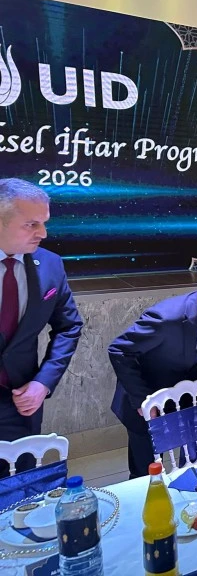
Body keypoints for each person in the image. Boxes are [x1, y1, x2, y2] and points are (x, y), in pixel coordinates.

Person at [108, 261, 197, 478]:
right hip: (145, 389)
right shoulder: (167, 319)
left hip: (186, 383)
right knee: (146, 467)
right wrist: (142, 399)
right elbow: (119, 350)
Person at [0, 179, 82, 477]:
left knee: (18, 485)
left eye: (44, 223)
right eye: (31, 224)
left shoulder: (50, 265)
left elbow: (69, 326)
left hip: (20, 400)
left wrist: (43, 382)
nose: (43, 233)